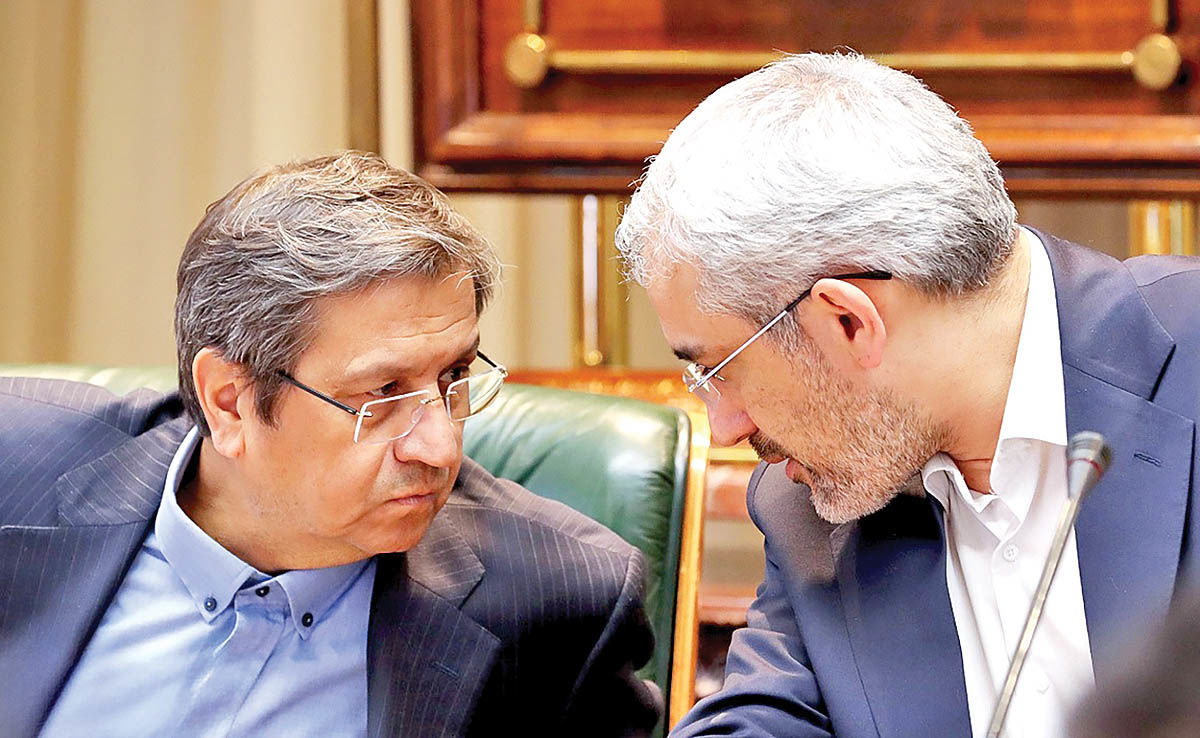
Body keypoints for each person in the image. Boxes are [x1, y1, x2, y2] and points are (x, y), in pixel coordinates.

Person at [615, 52, 1200, 737]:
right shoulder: (813, 502)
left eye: (720, 370)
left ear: (848, 322)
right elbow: (766, 719)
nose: (724, 427)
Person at [0, 152, 660, 737]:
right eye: (382, 394)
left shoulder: (558, 606)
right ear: (229, 402)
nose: (438, 447)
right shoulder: (15, 475)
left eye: (454, 376)